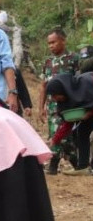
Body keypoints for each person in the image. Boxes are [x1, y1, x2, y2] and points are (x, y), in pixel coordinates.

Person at [39, 28, 80, 174]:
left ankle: (76, 163)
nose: (51, 46)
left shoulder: (74, 59)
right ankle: (57, 165)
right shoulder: (48, 62)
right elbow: (43, 86)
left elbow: (79, 82)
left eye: (53, 42)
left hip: (69, 106)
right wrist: (41, 107)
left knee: (65, 135)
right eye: (49, 43)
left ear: (63, 41)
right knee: (55, 133)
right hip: (52, 106)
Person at [46, 72, 93, 175]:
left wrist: (90, 112)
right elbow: (68, 122)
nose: (54, 99)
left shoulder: (86, 84)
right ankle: (83, 167)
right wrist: (55, 140)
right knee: (82, 132)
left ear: (61, 90)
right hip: (88, 114)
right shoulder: (68, 99)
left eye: (55, 95)